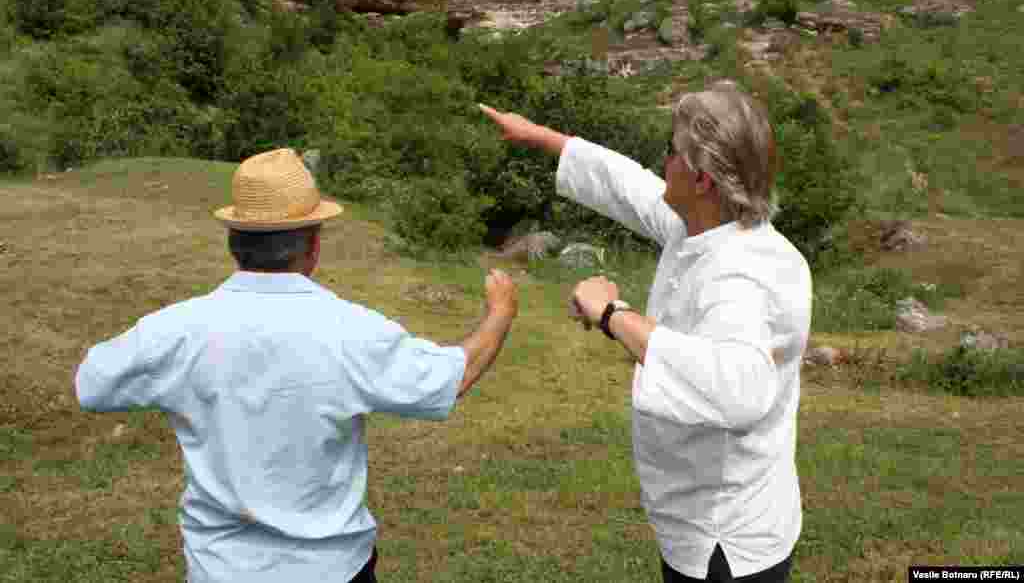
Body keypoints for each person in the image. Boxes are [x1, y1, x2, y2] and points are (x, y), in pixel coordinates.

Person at [74, 148, 518, 583]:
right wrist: (501, 312)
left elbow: (92, 384)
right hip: (330, 570)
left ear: (235, 242)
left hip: (219, 569)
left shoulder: (176, 330)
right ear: (314, 244)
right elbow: (448, 379)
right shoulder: (350, 330)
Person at [479, 80, 811, 583]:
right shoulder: (706, 226)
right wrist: (542, 137)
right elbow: (626, 184)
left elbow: (737, 390)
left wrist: (612, 314)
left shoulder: (739, 277)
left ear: (702, 180)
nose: (662, 161)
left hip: (723, 543)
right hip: (705, 519)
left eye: (671, 151)